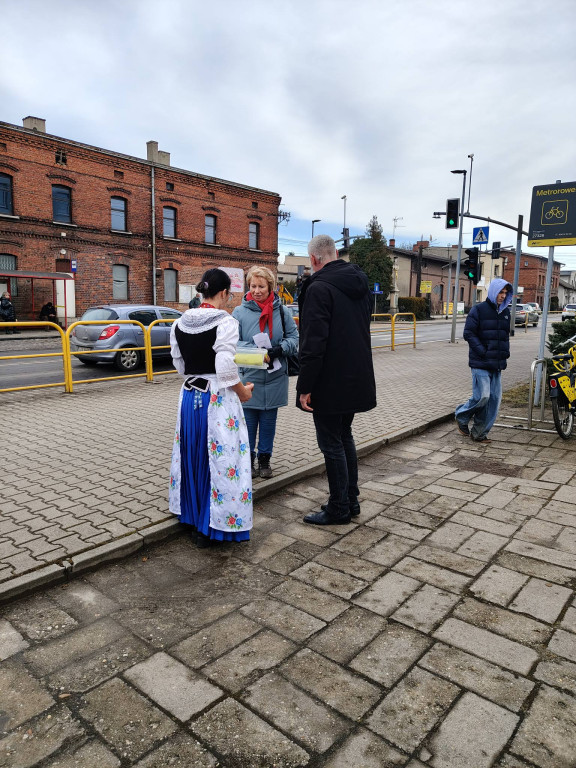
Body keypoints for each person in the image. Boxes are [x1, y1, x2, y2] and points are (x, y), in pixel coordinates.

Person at [169, 268, 255, 547]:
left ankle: (192, 515)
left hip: (189, 398)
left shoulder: (180, 323)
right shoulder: (225, 322)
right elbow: (225, 366)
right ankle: (211, 525)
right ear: (223, 293)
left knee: (193, 453)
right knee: (220, 459)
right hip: (216, 399)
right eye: (229, 295)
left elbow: (179, 364)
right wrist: (242, 392)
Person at [296, 234, 376, 525]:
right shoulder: (360, 284)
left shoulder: (319, 288)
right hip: (356, 376)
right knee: (344, 437)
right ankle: (350, 499)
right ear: (336, 253)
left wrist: (305, 387)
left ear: (315, 259)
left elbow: (313, 344)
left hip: (329, 381)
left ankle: (339, 507)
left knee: (331, 443)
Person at [233, 265, 298, 478]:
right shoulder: (239, 312)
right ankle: (248, 460)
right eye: (253, 286)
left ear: (270, 287)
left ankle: (265, 460)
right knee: (249, 423)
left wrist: (279, 349)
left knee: (269, 424)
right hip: (250, 377)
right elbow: (233, 343)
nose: (257, 290)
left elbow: (294, 339)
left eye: (261, 286)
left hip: (275, 376)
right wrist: (258, 352)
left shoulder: (282, 311)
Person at [455, 278, 513, 443]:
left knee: (494, 400)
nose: (502, 296)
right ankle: (461, 416)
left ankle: (479, 433)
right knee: (483, 396)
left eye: (505, 293)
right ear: (493, 291)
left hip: (497, 363)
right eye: (500, 292)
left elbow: (504, 337)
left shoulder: (505, 312)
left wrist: (505, 353)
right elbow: (469, 333)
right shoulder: (478, 310)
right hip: (480, 362)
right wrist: (483, 351)